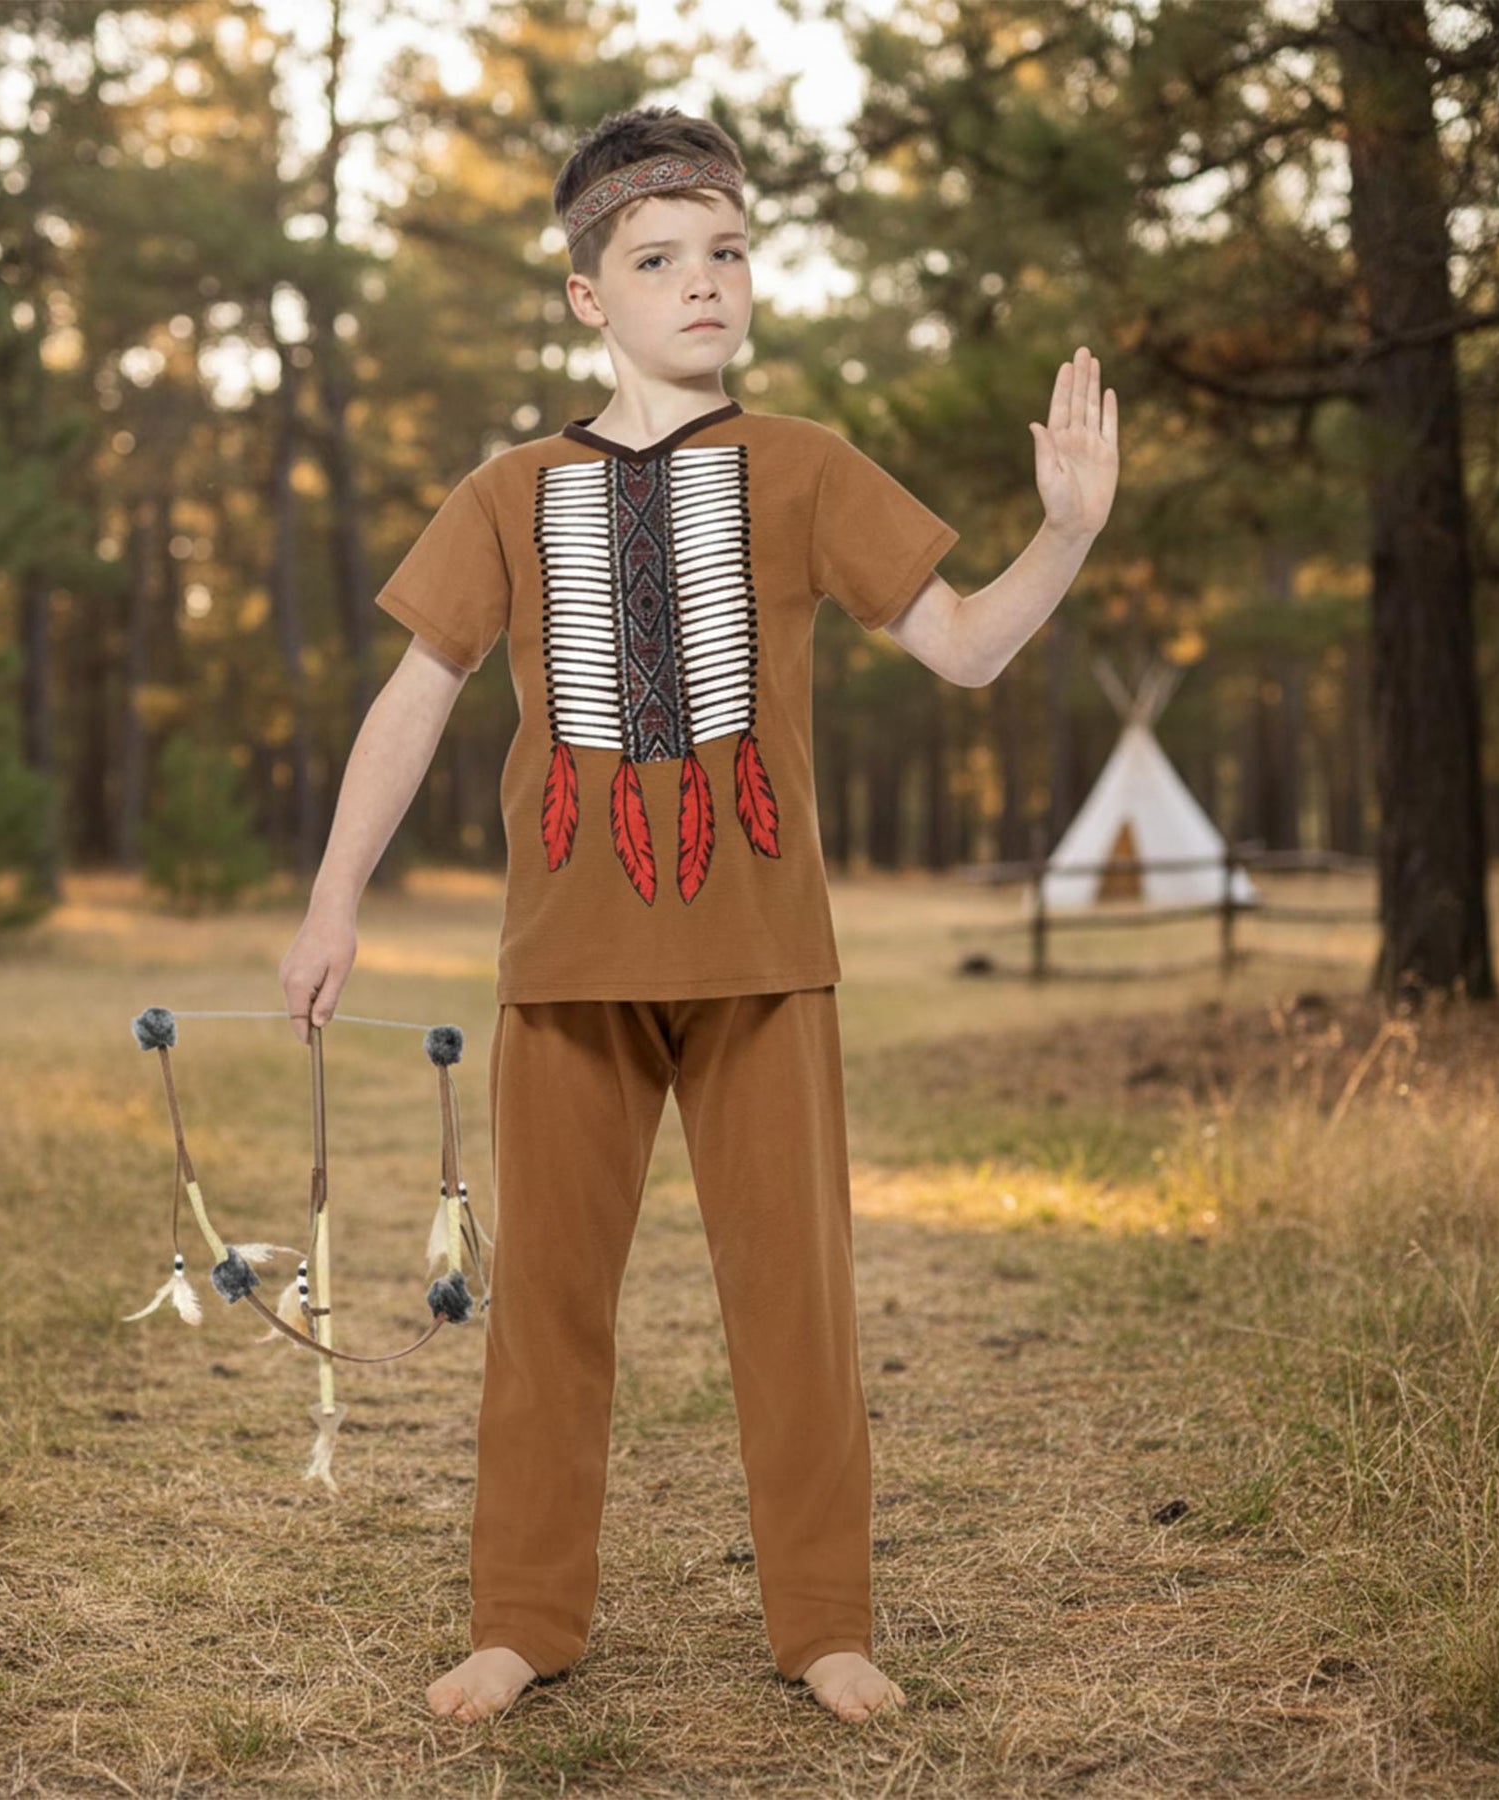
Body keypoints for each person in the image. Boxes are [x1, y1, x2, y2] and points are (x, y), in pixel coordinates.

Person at [278, 104, 1118, 1725]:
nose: (705, 283)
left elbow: (963, 647)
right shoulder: (511, 490)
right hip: (569, 966)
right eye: (660, 259)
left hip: (762, 963)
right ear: (590, 294)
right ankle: (523, 1618)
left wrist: (1068, 533)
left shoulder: (806, 469)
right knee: (546, 1315)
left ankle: (826, 1623)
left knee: (795, 1307)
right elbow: (416, 693)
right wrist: (333, 903)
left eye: (726, 251)